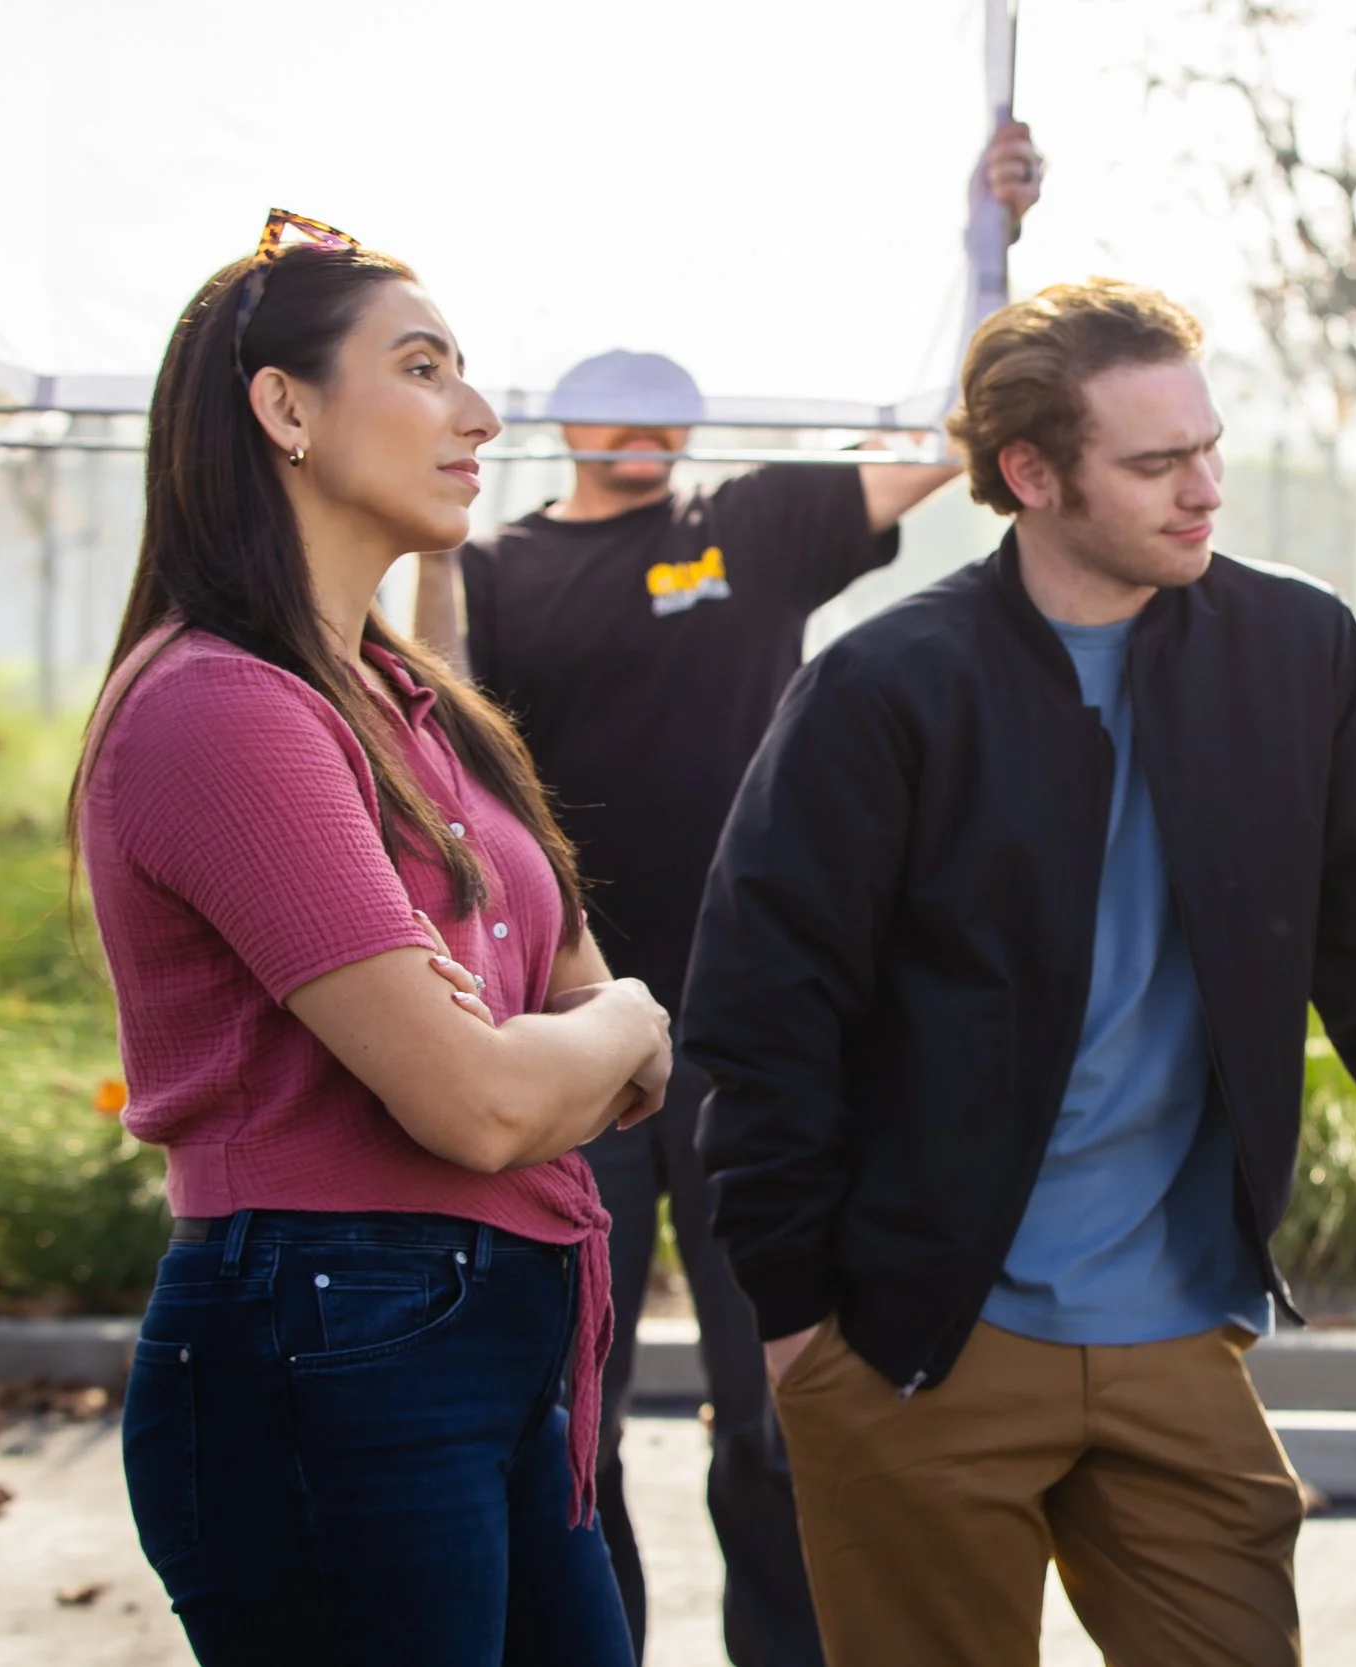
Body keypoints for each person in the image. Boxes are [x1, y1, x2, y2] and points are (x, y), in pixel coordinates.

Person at [682, 277, 1356, 1666]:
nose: (1207, 488)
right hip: (920, 1340)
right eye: (1157, 464)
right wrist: (798, 1326)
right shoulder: (884, 687)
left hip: (1177, 1339)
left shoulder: (1297, 652)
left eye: (1209, 445)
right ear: (1031, 473)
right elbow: (764, 1016)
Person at [410, 122, 1044, 1667]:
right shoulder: (492, 568)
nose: (652, 431)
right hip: (584, 1035)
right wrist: (431, 529)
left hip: (767, 1036)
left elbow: (952, 440)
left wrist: (986, 243)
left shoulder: (745, 529)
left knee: (781, 1401)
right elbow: (429, 710)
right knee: (580, 1398)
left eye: (674, 411)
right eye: (621, 409)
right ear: (563, 423)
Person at [74, 212, 673, 1665]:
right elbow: (483, 1098)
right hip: (330, 1341)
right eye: (421, 366)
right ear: (283, 405)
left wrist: (581, 1037)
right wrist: (618, 1029)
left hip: (490, 1335)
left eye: (467, 369)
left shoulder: (423, 708)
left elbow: (576, 1019)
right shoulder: (220, 707)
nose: (477, 412)